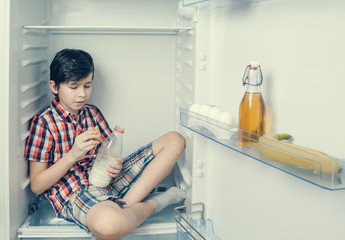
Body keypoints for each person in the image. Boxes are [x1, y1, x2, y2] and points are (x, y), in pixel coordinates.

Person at [24, 48, 186, 240]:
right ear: (55, 87)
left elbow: (108, 155)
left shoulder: (92, 113)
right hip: (75, 191)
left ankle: (122, 206)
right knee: (110, 225)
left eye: (87, 85)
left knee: (175, 140)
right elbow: (37, 185)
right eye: (74, 87)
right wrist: (72, 156)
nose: (82, 94)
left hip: (105, 181)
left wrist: (114, 167)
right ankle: (155, 203)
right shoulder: (43, 123)